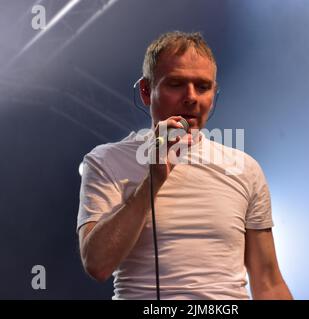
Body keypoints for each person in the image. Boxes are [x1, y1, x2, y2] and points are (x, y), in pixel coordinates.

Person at [77, 31, 292, 300]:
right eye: (176, 84)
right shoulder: (106, 161)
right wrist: (151, 182)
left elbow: (268, 283)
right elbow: (97, 264)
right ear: (146, 91)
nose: (191, 97)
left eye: (203, 87)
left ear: (214, 93)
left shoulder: (245, 168)